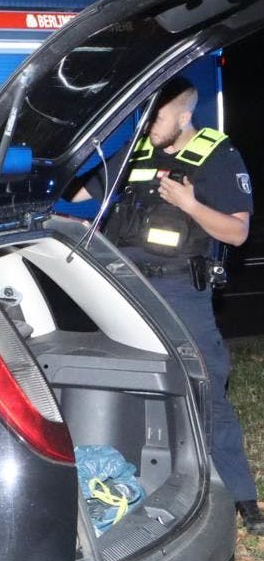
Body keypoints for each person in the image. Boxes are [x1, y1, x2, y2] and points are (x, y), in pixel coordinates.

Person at [72, 77, 260, 532]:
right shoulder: (136, 150)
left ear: (182, 115)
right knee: (127, 383)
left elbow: (236, 232)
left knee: (204, 388)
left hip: (179, 289)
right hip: (124, 288)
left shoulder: (217, 155)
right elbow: (80, 198)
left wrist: (189, 203)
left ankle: (241, 497)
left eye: (155, 116)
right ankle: (140, 478)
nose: (147, 125)